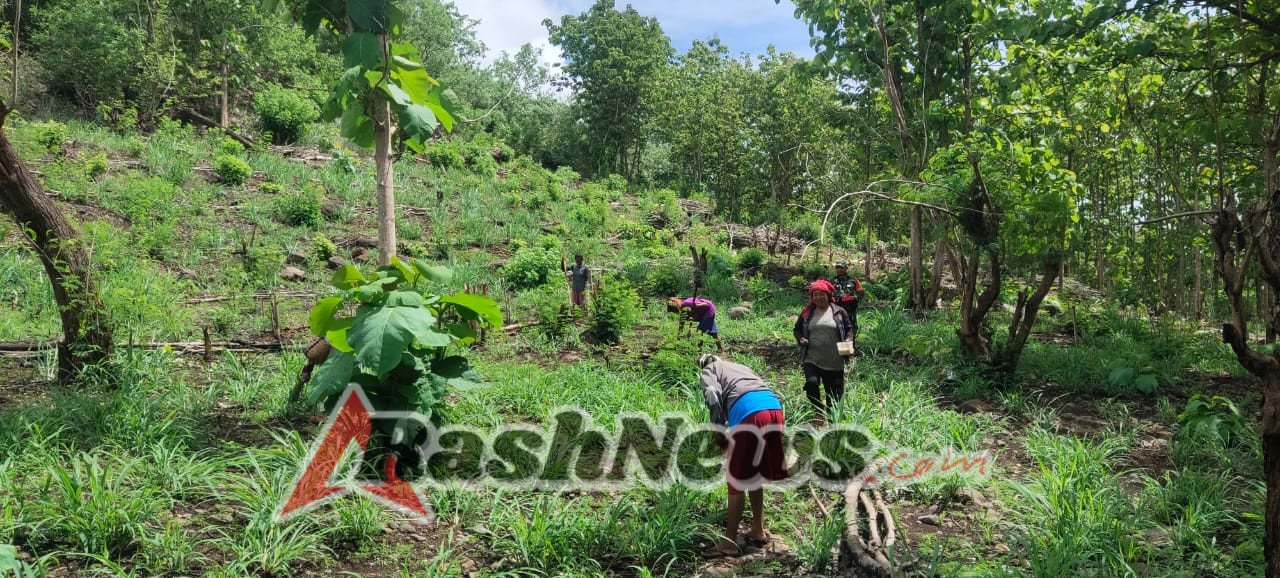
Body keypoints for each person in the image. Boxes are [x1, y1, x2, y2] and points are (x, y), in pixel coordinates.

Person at [697, 353, 787, 559]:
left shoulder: (709, 370)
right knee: (754, 475)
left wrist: (719, 432)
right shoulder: (737, 366)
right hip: (773, 408)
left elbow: (711, 393)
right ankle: (758, 529)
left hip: (750, 413)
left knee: (735, 482)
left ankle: (728, 543)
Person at [793, 280, 855, 421]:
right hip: (812, 357)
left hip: (834, 359)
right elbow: (796, 329)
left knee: (833, 394)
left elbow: (849, 328)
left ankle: (833, 422)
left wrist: (848, 340)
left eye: (821, 294)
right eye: (815, 295)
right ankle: (818, 410)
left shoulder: (839, 312)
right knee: (811, 383)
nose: (818, 297)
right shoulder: (807, 312)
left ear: (828, 295)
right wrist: (801, 338)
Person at [831, 261, 866, 341]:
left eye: (842, 267)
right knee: (836, 327)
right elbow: (827, 293)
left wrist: (855, 299)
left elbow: (860, 293)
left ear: (846, 268)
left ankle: (851, 347)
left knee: (851, 327)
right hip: (836, 308)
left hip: (850, 308)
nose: (840, 270)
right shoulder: (831, 280)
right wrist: (836, 297)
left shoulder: (853, 280)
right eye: (838, 267)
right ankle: (837, 348)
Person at [565, 254, 590, 319]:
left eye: (579, 261)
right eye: (576, 260)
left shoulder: (585, 268)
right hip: (575, 288)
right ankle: (573, 317)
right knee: (573, 303)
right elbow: (564, 269)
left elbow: (588, 279)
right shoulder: (574, 266)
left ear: (582, 260)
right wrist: (563, 261)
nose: (577, 262)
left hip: (582, 289)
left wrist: (585, 288)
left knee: (583, 304)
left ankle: (585, 318)